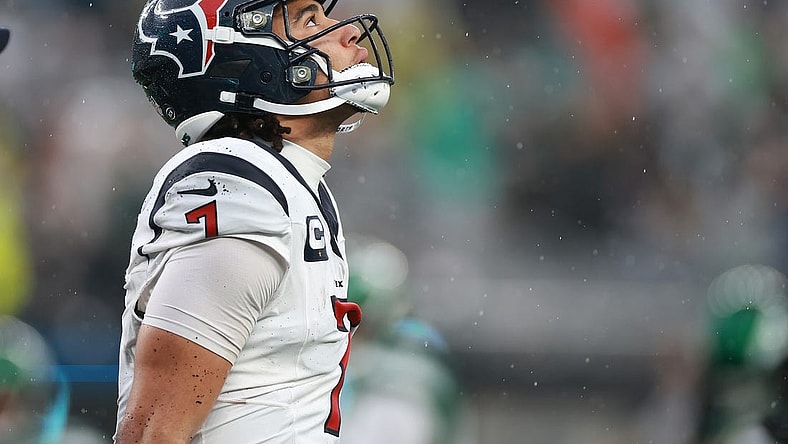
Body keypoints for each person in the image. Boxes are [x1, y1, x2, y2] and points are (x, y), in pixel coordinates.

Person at [114, 0, 394, 443]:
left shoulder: (293, 182)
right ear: (247, 61)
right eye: (309, 21)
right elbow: (154, 433)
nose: (346, 31)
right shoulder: (239, 182)